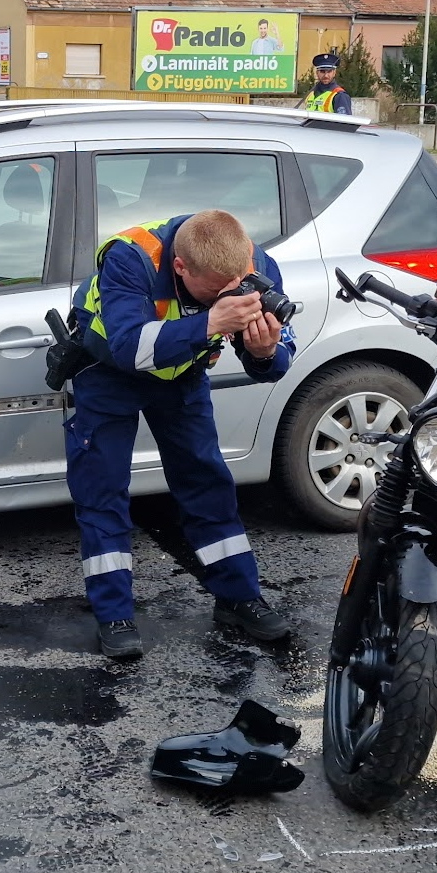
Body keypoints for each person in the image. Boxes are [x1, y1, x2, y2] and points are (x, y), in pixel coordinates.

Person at [65, 209, 297, 659]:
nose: (224, 300)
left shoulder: (256, 266)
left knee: (207, 482)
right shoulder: (131, 258)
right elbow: (130, 347)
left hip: (183, 374)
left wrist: (264, 350)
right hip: (107, 372)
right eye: (213, 293)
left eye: (236, 287)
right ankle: (114, 613)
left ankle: (238, 597)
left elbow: (273, 359)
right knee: (103, 491)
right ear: (180, 267)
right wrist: (212, 322)